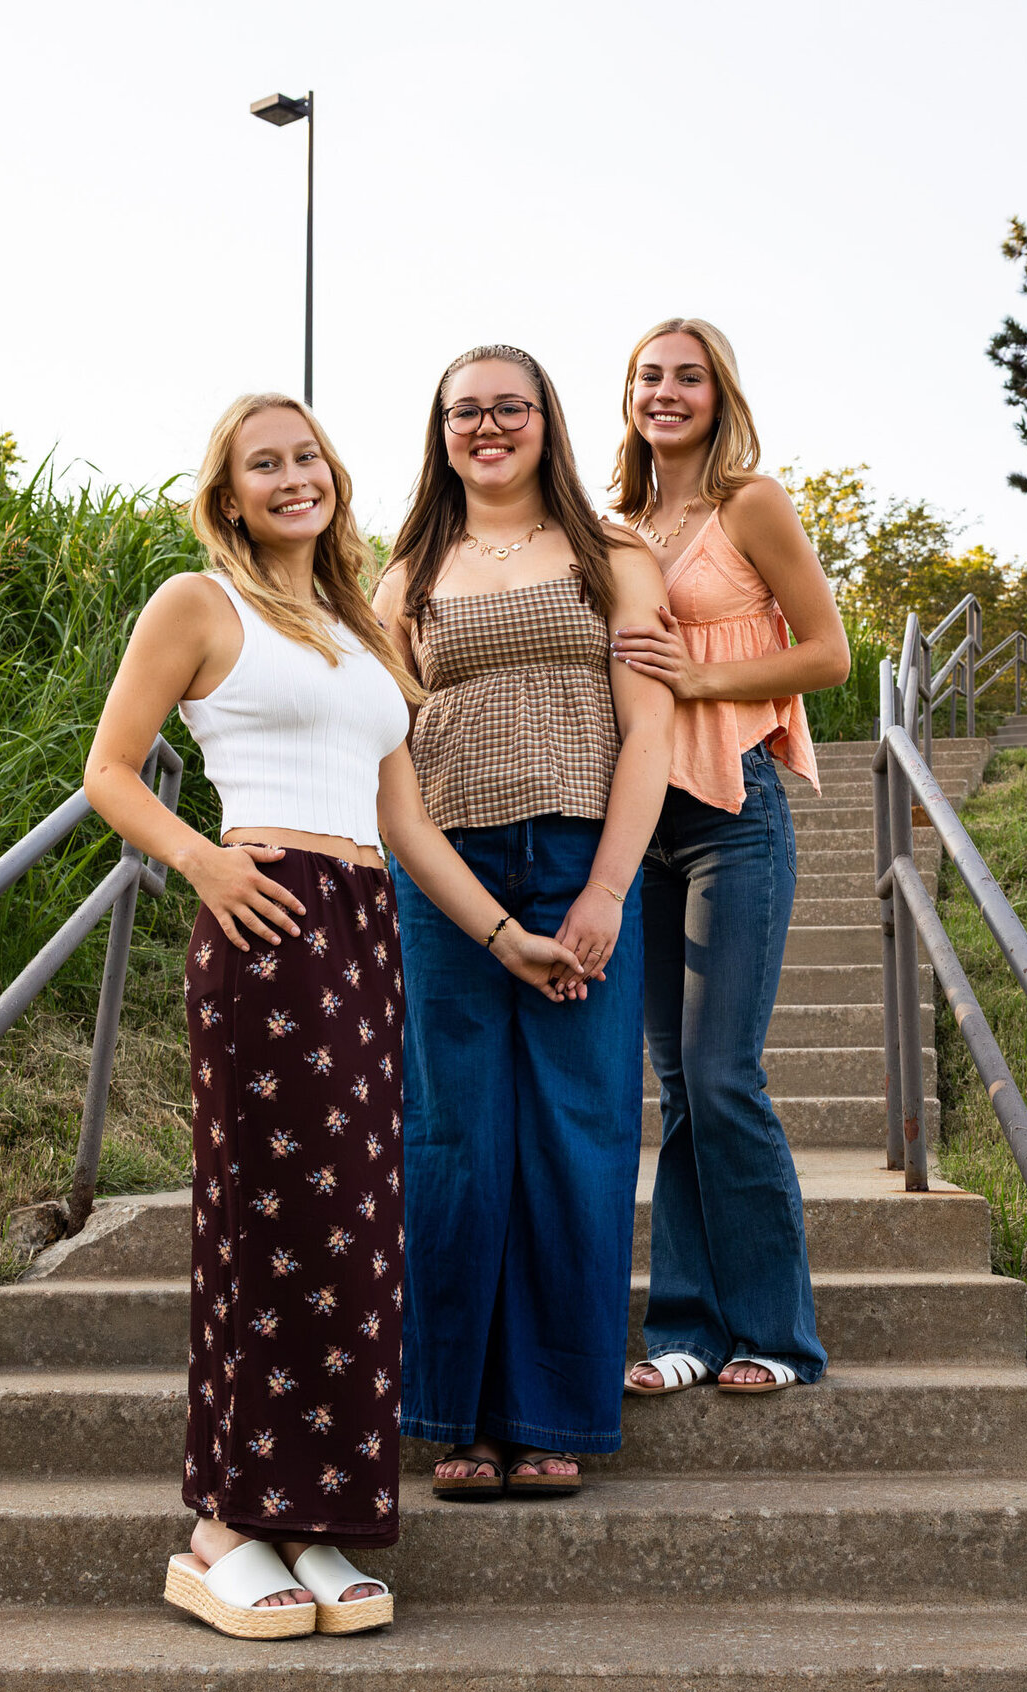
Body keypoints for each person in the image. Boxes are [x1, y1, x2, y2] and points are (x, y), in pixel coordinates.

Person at [84, 391, 579, 1639]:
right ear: (232, 490)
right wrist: (203, 863)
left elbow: (405, 822)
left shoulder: (364, 630)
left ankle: (307, 1519)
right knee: (272, 1217)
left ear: (333, 476)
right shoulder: (198, 604)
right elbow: (108, 769)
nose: (293, 477)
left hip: (362, 930)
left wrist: (505, 935)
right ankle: (222, 1526)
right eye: (266, 463)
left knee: (355, 1227)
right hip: (264, 917)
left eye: (307, 456)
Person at [375, 344, 673, 1497]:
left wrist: (606, 889)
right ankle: (457, 1415)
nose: (486, 427)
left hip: (578, 855)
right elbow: (389, 756)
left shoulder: (613, 557)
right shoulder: (402, 573)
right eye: (464, 411)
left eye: (510, 407)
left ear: (547, 420)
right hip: (448, 873)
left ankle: (553, 1415)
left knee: (576, 1136)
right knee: (455, 1137)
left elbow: (646, 733)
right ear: (439, 429)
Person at [607, 317, 850, 1395]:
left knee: (722, 1075)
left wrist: (693, 679)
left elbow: (829, 654)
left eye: (686, 377)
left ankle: (777, 1336)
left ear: (718, 394)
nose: (665, 392)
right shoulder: (614, 525)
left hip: (733, 806)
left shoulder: (749, 503)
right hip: (637, 821)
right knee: (676, 1085)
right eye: (648, 376)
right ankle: (687, 1334)